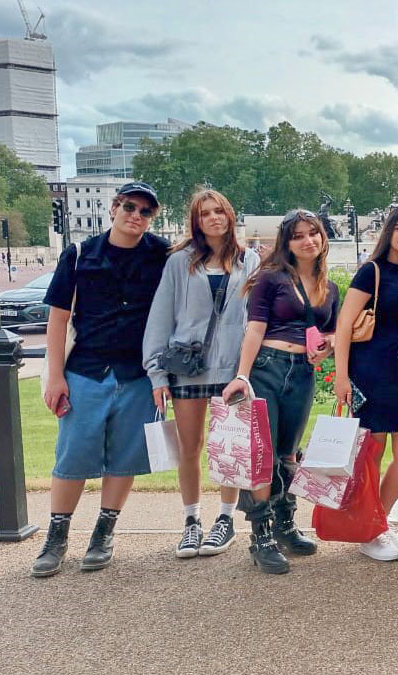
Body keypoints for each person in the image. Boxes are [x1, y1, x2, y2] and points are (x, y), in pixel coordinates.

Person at [32, 181, 170, 577]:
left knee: (124, 457)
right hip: (86, 370)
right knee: (72, 455)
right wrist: (55, 375)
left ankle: (104, 532)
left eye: (145, 211)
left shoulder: (162, 254)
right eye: (130, 207)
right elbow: (58, 319)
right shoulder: (79, 255)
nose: (136, 216)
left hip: (137, 373)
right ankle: (56, 538)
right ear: (114, 208)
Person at [143, 189, 260, 558]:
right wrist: (157, 375)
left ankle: (225, 519)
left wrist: (246, 371)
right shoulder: (180, 262)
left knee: (229, 449)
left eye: (219, 211)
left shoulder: (249, 260)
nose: (213, 218)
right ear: (196, 221)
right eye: (205, 213)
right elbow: (161, 317)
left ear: (230, 215)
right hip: (188, 368)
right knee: (189, 448)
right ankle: (191, 521)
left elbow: (255, 319)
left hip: (231, 370)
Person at [221, 209, 338, 574]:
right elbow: (254, 329)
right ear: (287, 243)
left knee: (288, 455)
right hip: (267, 369)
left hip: (302, 373)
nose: (308, 241)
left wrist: (329, 344)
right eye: (299, 235)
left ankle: (286, 524)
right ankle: (262, 536)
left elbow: (332, 331)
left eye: (313, 233)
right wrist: (242, 375)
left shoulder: (328, 287)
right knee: (261, 455)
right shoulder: (272, 279)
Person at [332, 205, 398, 562]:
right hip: (372, 371)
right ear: (388, 231)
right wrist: (341, 377)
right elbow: (344, 325)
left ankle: (378, 521)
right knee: (372, 455)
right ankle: (368, 530)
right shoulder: (370, 271)